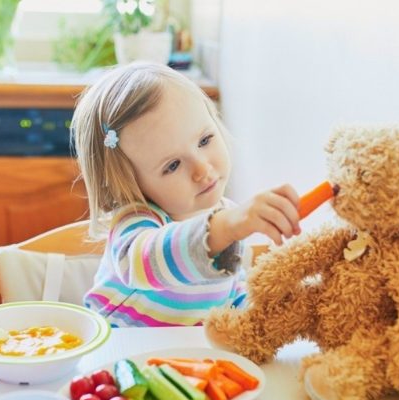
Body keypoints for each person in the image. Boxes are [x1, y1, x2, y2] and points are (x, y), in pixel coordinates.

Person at [71, 61, 300, 327]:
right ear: (131, 184)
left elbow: (232, 294)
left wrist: (267, 317)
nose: (202, 169)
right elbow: (145, 262)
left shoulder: (225, 219)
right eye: (172, 165)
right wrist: (228, 226)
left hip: (188, 360)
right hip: (118, 357)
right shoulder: (136, 223)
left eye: (204, 140)